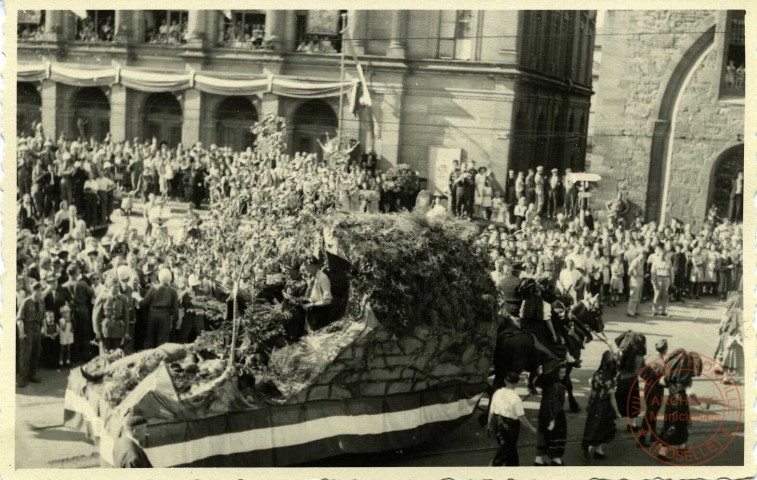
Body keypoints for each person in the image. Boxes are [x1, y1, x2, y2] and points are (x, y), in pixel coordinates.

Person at [487, 371, 537, 466]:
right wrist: (533, 429)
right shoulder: (516, 398)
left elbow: (491, 411)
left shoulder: (497, 392)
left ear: (505, 381)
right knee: (500, 457)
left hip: (498, 424)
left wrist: (489, 425)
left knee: (511, 452)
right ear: (517, 383)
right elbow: (522, 418)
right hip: (510, 428)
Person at [582, 350, 622, 460]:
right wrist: (617, 412)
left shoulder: (596, 375)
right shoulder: (610, 380)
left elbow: (592, 391)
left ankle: (599, 451)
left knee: (593, 427)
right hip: (604, 407)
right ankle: (589, 448)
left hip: (595, 404)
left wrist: (589, 403)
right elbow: (612, 398)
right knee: (602, 428)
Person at [535, 365, 568, 466]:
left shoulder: (548, 384)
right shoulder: (558, 386)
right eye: (561, 372)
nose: (563, 375)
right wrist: (553, 420)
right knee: (556, 435)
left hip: (543, 413)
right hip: (555, 414)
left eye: (564, 372)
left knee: (543, 435)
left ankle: (538, 459)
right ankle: (556, 458)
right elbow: (555, 404)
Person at [638, 339, 668, 447]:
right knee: (650, 414)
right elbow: (665, 381)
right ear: (665, 349)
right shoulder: (662, 363)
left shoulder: (648, 356)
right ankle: (642, 437)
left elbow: (641, 371)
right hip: (657, 390)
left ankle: (653, 435)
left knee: (652, 413)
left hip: (647, 387)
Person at [141, 268, 179, 349]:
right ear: (170, 278)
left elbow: (145, 303)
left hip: (153, 314)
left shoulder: (153, 289)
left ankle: (147, 357)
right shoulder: (173, 291)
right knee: (163, 339)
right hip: (165, 315)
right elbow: (176, 309)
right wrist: (175, 321)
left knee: (150, 338)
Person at [17, 281, 45, 387]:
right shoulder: (26, 302)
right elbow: (19, 319)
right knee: (25, 355)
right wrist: (21, 332)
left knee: (35, 353)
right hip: (27, 329)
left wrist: (43, 329)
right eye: (37, 290)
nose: (39, 292)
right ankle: (22, 379)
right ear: (33, 291)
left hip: (37, 328)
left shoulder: (41, 302)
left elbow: (43, 317)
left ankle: (32, 375)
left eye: (40, 290)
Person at [302, 257, 333, 331]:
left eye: (307, 265)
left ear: (314, 266)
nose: (305, 267)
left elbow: (328, 301)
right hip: (312, 312)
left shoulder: (323, 278)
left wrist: (311, 304)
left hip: (320, 313)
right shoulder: (312, 277)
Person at [650, 243, 672, 316]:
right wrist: (653, 281)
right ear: (659, 254)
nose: (662, 256)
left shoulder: (668, 261)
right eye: (661, 254)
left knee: (665, 295)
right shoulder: (655, 262)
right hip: (658, 278)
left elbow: (671, 271)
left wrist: (672, 280)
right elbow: (653, 272)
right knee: (657, 294)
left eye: (664, 254)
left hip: (666, 278)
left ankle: (664, 311)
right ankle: (654, 310)